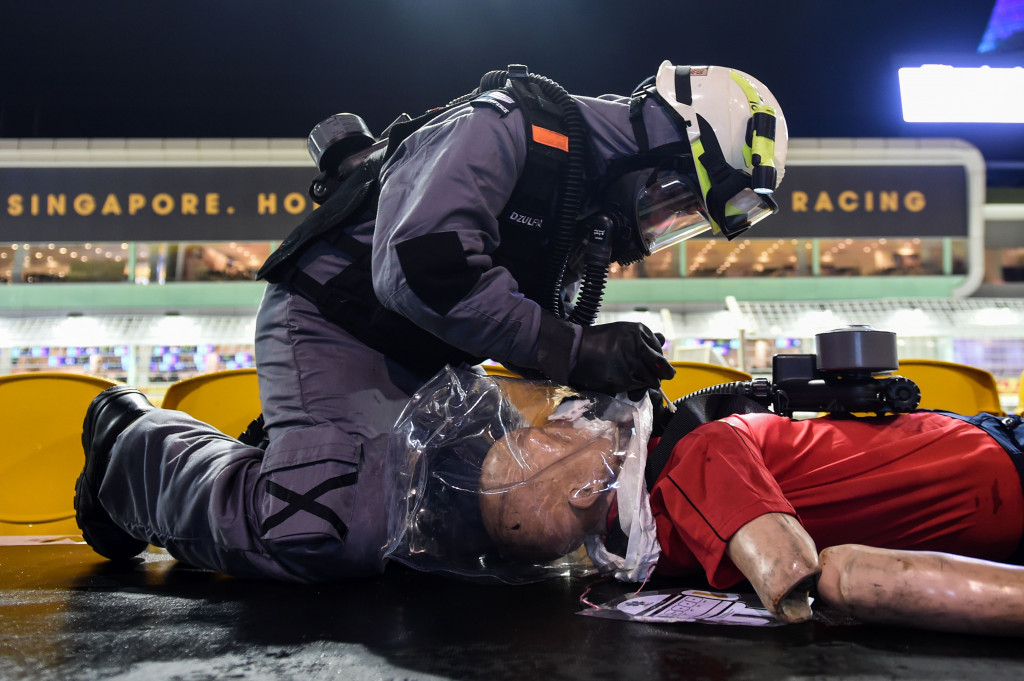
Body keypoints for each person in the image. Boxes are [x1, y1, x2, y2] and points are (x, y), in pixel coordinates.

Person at [74, 61, 789, 582]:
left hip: (434, 362)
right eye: (674, 201)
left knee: (482, 520)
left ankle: (308, 447)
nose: (660, 229)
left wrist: (616, 379)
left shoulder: (582, 205)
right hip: (335, 321)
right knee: (323, 531)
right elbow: (421, 272)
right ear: (660, 145)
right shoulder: (505, 125)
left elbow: (518, 326)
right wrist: (575, 347)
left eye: (683, 223)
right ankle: (133, 445)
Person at [477, 401, 1024, 635]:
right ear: (578, 492)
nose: (568, 416)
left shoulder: (653, 557)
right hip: (996, 459)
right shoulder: (697, 454)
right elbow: (793, 569)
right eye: (550, 436)